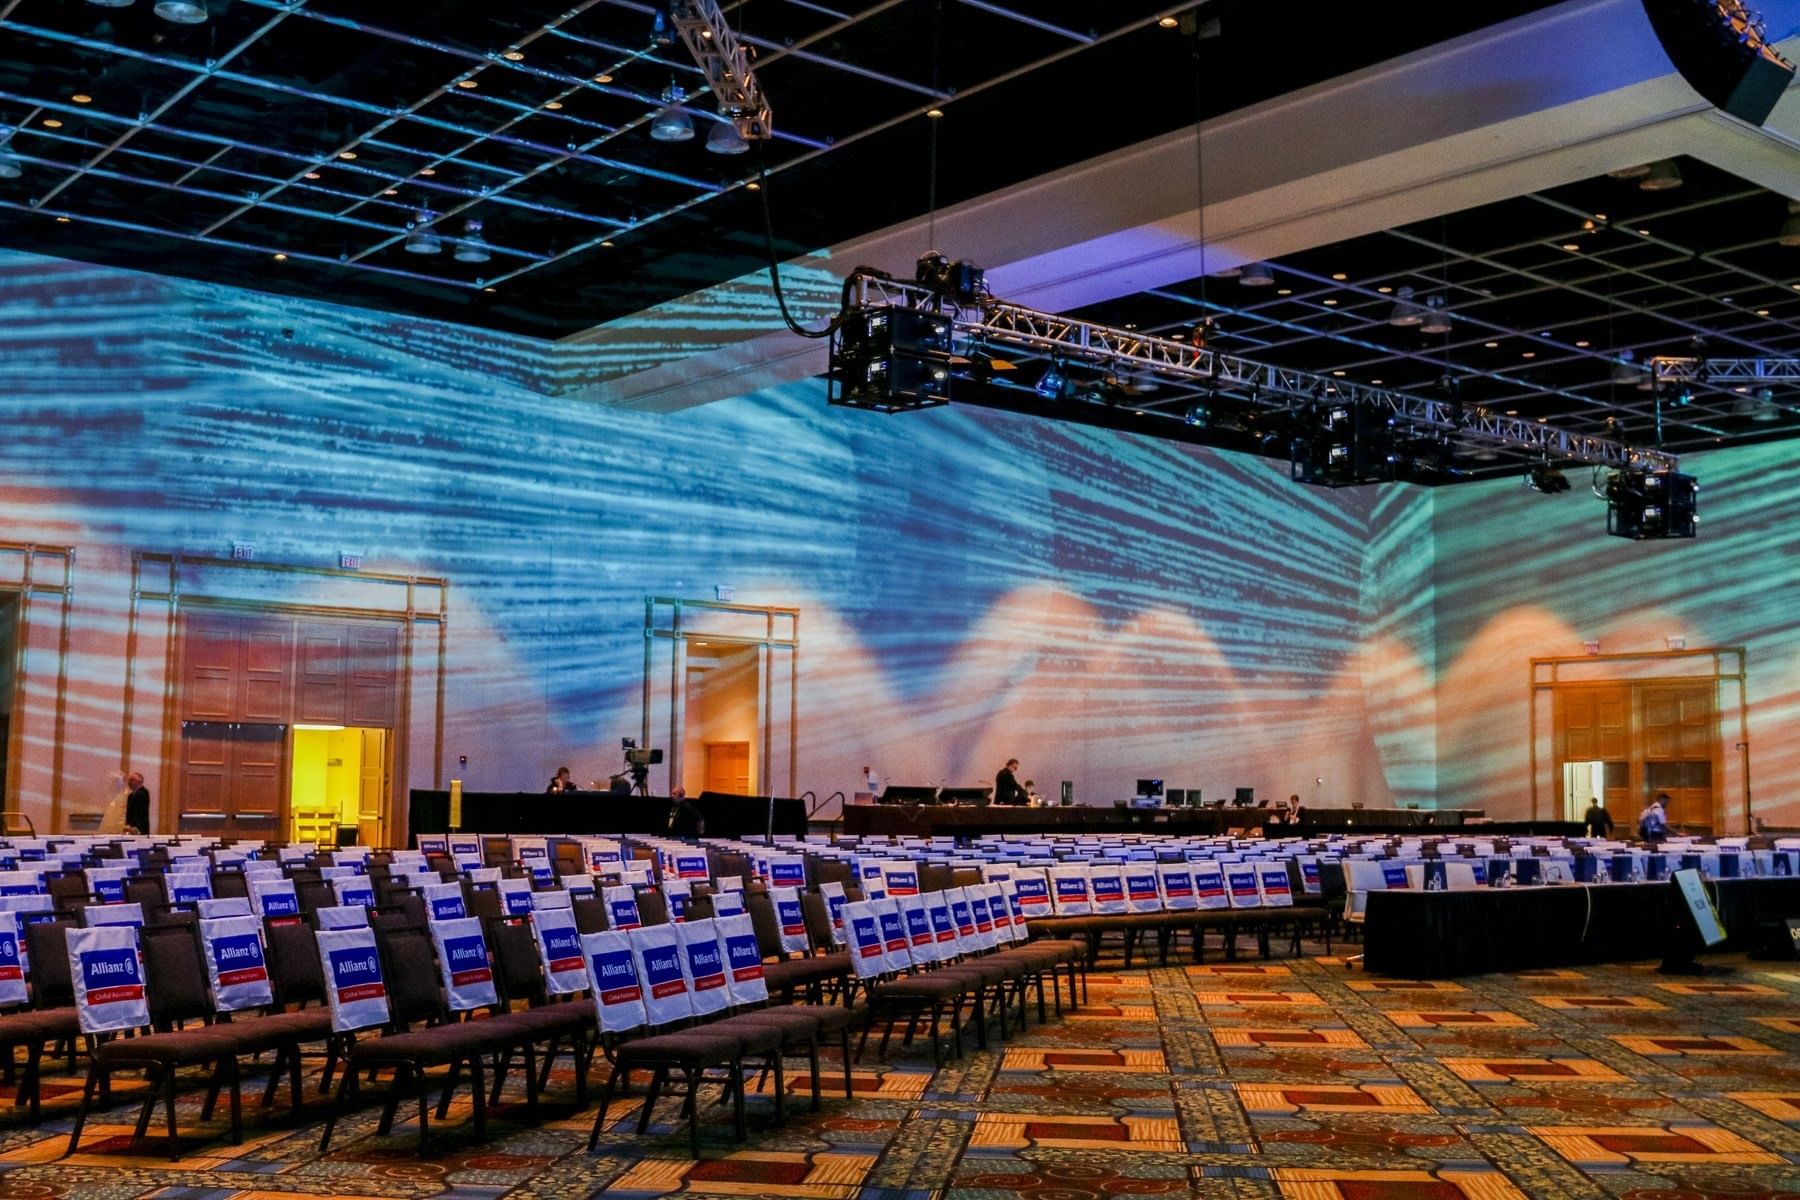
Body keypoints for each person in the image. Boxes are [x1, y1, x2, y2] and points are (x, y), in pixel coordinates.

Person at [124, 770, 151, 835]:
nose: (129, 782)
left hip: (139, 828)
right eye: (129, 780)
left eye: (132, 780)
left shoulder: (143, 793)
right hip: (131, 828)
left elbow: (140, 812)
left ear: (139, 782)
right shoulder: (131, 795)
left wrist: (133, 825)